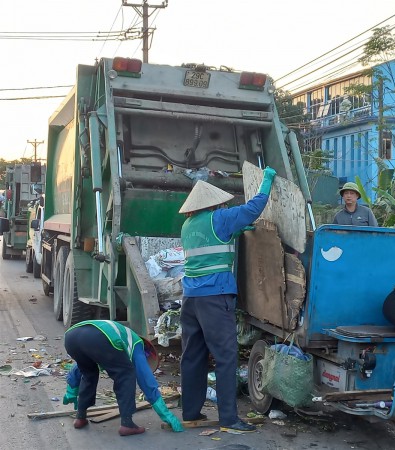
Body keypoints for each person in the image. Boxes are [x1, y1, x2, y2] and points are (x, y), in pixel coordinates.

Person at [178, 167, 276, 433]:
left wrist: (237, 230)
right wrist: (266, 181)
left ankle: (190, 413)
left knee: (192, 356)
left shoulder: (188, 225)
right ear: (214, 203)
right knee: (226, 357)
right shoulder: (219, 218)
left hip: (190, 299)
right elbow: (255, 207)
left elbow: (213, 243)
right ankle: (229, 419)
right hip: (214, 297)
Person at [62, 320, 183, 436]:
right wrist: (165, 413)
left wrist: (71, 390)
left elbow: (77, 368)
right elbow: (145, 378)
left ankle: (80, 417)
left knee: (89, 373)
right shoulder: (137, 344)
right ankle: (127, 424)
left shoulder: (121, 337)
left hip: (71, 337)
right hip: (98, 337)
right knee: (126, 373)